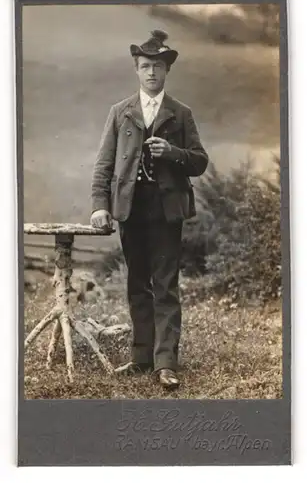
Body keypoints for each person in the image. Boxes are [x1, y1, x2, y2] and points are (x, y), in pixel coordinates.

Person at [91, 30, 208, 389]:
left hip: (166, 211)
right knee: (137, 284)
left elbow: (200, 162)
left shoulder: (181, 113)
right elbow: (103, 166)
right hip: (130, 210)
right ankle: (142, 357)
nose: (151, 73)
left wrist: (173, 153)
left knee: (166, 285)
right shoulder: (120, 112)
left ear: (166, 71)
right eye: (145, 66)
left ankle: (166, 363)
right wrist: (100, 206)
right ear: (136, 70)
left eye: (157, 66)